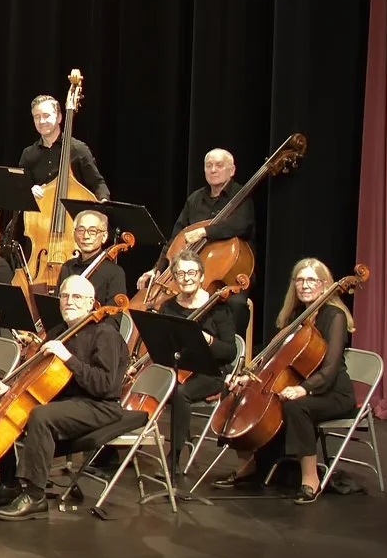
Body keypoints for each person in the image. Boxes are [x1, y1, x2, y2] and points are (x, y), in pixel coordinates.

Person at [213, 259, 354, 504]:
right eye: (300, 280)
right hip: (298, 382)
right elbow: (276, 359)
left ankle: (310, 478)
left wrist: (304, 389)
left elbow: (330, 369)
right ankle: (250, 464)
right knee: (237, 394)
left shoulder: (335, 316)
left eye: (311, 280)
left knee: (295, 407)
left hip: (331, 391)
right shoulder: (298, 315)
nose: (305, 285)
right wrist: (247, 377)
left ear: (324, 284)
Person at [0, 275, 128, 520]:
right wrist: (9, 389)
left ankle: (35, 496)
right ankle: (8, 482)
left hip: (100, 405)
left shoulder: (105, 334)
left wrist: (69, 358)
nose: (69, 302)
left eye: (77, 297)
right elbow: (35, 374)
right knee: (1, 404)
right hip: (68, 401)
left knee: (41, 416)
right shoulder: (59, 331)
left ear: (90, 303)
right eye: (64, 296)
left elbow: (105, 385)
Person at [152, 256, 241, 464]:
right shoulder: (168, 307)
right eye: (180, 274)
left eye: (191, 273)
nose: (186, 278)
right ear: (174, 277)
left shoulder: (218, 308)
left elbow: (230, 351)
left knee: (179, 392)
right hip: (179, 369)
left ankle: (174, 454)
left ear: (201, 276)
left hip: (212, 372)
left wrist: (209, 341)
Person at [148, 148, 252, 293]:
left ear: (232, 170)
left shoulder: (241, 196)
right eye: (209, 166)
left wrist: (205, 232)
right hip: (186, 275)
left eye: (219, 165)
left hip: (224, 281)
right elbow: (176, 238)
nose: (213, 170)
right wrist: (157, 269)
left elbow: (240, 225)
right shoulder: (195, 199)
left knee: (235, 306)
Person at [20, 95, 109, 200]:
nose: (41, 121)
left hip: (73, 215)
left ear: (59, 118)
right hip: (39, 215)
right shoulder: (28, 153)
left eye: (46, 115)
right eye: (37, 116)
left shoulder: (78, 149)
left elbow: (97, 184)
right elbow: (20, 189)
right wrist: (29, 190)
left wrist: (102, 205)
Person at [59, 209, 127, 301]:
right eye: (81, 230)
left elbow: (114, 314)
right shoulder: (67, 267)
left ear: (104, 236)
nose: (86, 236)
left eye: (92, 231)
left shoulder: (115, 272)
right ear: (74, 234)